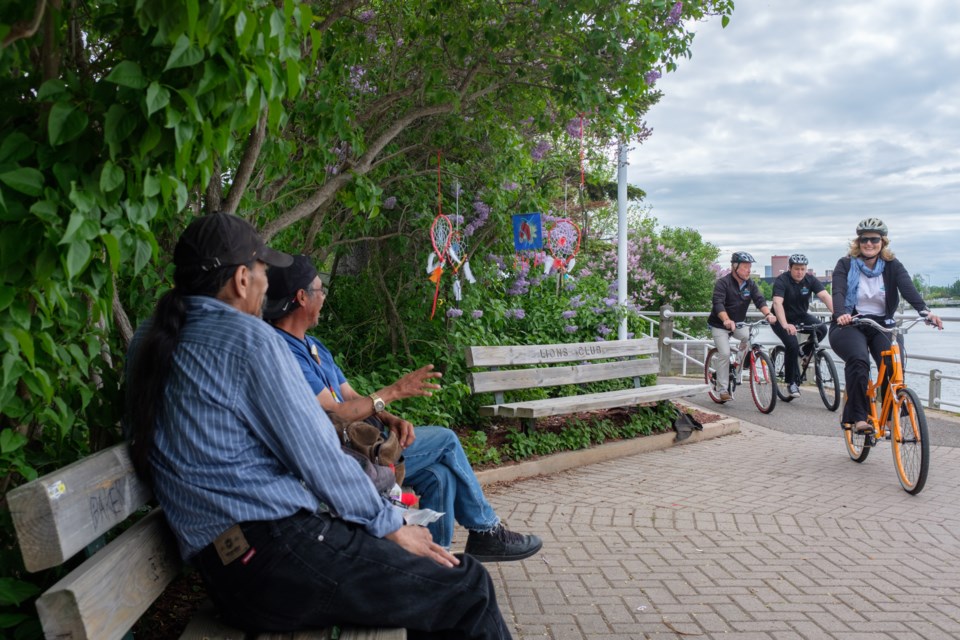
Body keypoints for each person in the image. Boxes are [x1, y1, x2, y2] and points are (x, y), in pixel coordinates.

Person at [124, 213, 514, 638]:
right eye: (261, 271)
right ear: (241, 279)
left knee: (432, 579)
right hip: (274, 559)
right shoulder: (248, 340)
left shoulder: (151, 337)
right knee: (466, 586)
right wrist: (392, 525)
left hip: (231, 567)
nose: (265, 284)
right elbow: (319, 457)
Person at [263, 255, 542, 562]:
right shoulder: (283, 350)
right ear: (302, 297)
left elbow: (350, 395)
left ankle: (435, 561)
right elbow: (334, 413)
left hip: (363, 442)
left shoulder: (314, 345)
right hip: (343, 456)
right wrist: (393, 392)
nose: (324, 296)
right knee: (447, 440)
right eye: (320, 290)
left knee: (440, 477)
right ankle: (487, 532)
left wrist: (388, 416)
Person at [829, 218, 943, 434]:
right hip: (850, 324)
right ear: (858, 242)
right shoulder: (845, 264)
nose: (869, 244)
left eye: (874, 239)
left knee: (894, 361)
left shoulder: (892, 266)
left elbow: (908, 289)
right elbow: (839, 291)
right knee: (859, 360)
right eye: (865, 239)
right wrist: (841, 313)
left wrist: (925, 311)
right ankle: (859, 418)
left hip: (882, 325)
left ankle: (890, 416)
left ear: (883, 242)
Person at [707, 251, 777, 401]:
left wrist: (768, 314)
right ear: (735, 267)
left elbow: (760, 300)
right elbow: (718, 303)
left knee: (747, 337)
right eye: (745, 266)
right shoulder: (723, 283)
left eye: (749, 267)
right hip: (720, 324)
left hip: (738, 323)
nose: (748, 270)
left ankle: (738, 368)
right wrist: (726, 319)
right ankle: (722, 389)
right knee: (725, 353)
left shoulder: (750, 284)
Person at [771, 254, 835, 398]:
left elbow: (825, 296)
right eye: (796, 269)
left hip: (800, 315)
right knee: (792, 344)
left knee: (821, 329)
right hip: (781, 318)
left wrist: (837, 314)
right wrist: (785, 324)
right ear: (790, 268)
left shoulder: (810, 279)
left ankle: (805, 353)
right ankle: (791, 382)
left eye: (803, 269)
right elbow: (777, 303)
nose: (800, 272)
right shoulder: (782, 280)